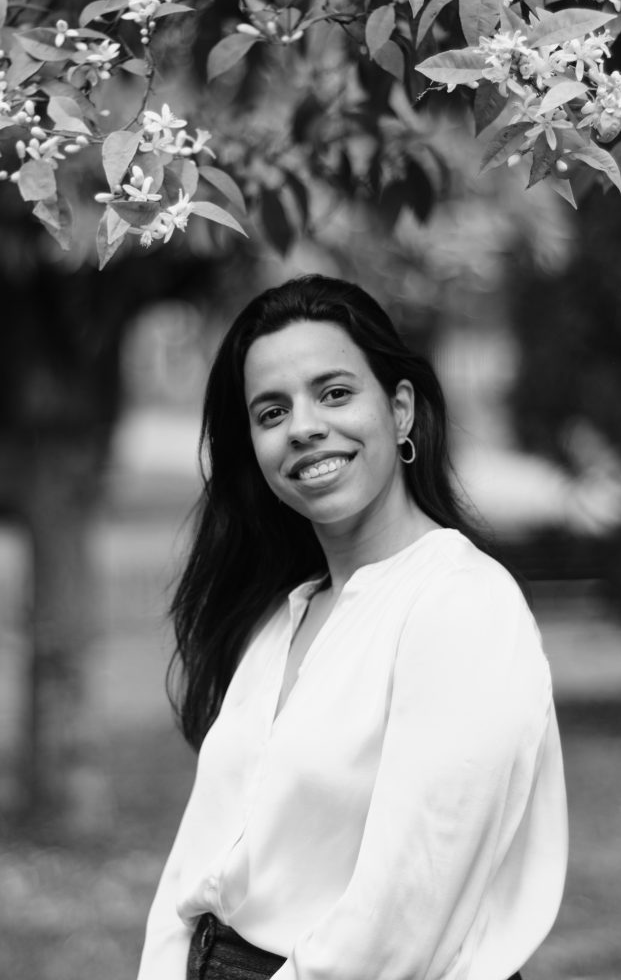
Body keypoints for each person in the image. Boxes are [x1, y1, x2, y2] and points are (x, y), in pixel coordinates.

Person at [136, 274, 568, 980]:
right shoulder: (283, 616)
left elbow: (402, 914)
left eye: (334, 393)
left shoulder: (461, 606)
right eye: (271, 411)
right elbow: (193, 871)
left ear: (400, 411)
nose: (303, 426)